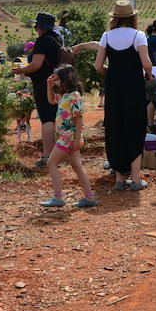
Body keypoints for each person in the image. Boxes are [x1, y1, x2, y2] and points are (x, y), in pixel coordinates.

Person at [96, 0, 153, 191]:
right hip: (134, 87)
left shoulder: (106, 36)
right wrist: (148, 75)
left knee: (115, 127)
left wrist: (112, 73)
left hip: (114, 88)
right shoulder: (139, 35)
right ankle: (136, 179)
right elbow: (147, 64)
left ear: (115, 18)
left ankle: (119, 179)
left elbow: (98, 66)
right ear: (132, 17)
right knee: (135, 127)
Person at [40, 65, 98, 208]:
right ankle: (89, 197)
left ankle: (58, 196)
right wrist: (49, 86)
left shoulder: (74, 96)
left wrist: (77, 139)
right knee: (77, 165)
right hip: (68, 137)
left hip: (68, 137)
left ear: (68, 79)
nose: (57, 83)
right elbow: (51, 100)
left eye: (59, 80)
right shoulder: (65, 96)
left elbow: (79, 119)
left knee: (51, 163)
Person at [14, 12, 62, 167]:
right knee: (53, 117)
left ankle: (48, 155)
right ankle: (55, 153)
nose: (35, 28)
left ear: (41, 27)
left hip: (44, 84)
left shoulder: (42, 41)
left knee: (46, 119)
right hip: (56, 82)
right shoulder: (57, 39)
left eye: (36, 25)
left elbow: (36, 65)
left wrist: (21, 70)